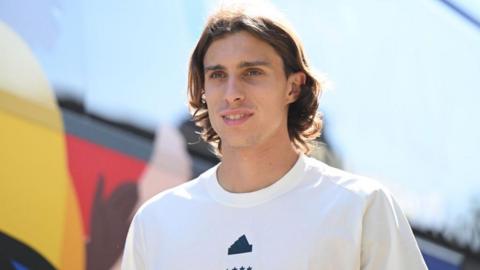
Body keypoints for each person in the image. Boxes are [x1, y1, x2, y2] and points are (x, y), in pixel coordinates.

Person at [121, 2, 428, 270]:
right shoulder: (156, 223)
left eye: (252, 72)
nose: (232, 94)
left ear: (293, 87)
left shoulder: (360, 207)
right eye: (217, 75)